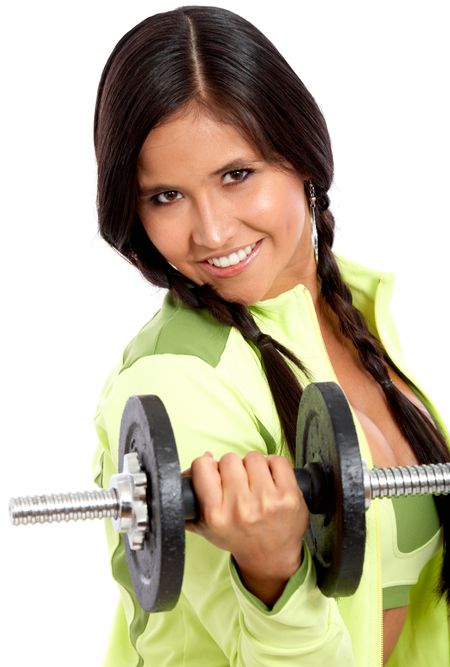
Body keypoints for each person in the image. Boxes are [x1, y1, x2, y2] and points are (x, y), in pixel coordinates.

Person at [91, 5, 450, 666]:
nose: (213, 232)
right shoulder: (177, 380)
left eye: (236, 175)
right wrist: (270, 570)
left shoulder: (353, 314)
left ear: (301, 153)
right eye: (166, 196)